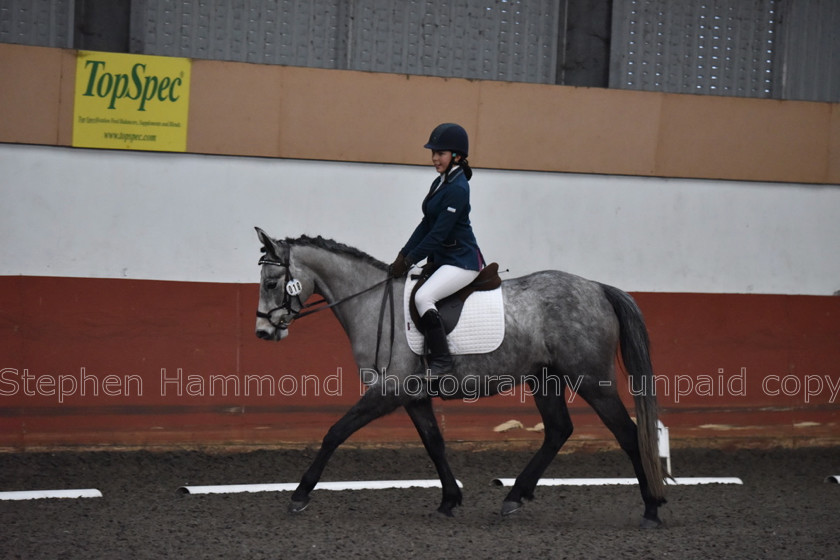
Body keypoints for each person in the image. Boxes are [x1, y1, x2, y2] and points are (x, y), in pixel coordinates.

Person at [389, 123, 484, 377]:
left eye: (440, 153)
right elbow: (425, 224)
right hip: (445, 259)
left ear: (456, 156)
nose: (434, 158)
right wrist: (402, 255)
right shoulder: (440, 182)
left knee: (423, 298)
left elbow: (438, 234)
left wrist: (411, 259)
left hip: (462, 262)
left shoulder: (458, 188)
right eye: (433, 153)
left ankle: (442, 362)